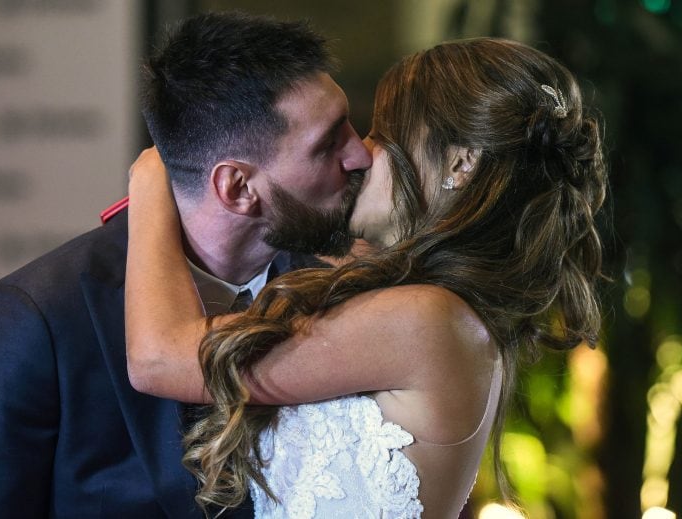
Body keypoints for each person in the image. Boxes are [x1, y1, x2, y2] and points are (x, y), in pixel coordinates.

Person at [124, 37, 608, 518]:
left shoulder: (427, 319)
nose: (362, 153)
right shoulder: (423, 304)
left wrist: (151, 181)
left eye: (383, 133)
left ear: (460, 163)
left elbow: (160, 359)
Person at [0, 12, 370, 518]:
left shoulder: (338, 293)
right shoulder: (39, 318)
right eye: (328, 143)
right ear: (237, 188)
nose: (361, 155)